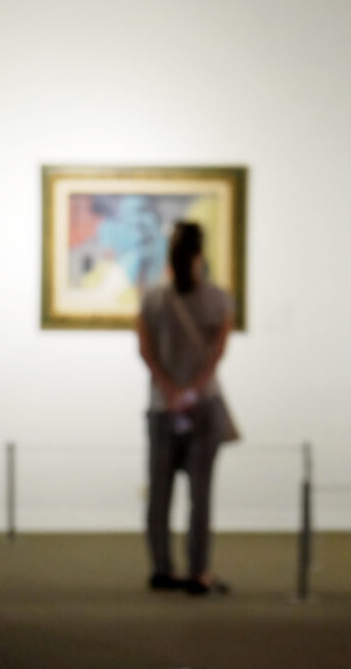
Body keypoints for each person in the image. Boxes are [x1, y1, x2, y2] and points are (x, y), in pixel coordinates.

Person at [137, 221, 234, 596]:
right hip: (203, 405)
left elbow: (145, 350)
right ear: (200, 255)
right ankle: (198, 571)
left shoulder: (152, 299)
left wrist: (169, 389)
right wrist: (192, 390)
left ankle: (162, 568)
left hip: (162, 407)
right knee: (201, 492)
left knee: (159, 491)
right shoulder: (218, 299)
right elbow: (217, 352)